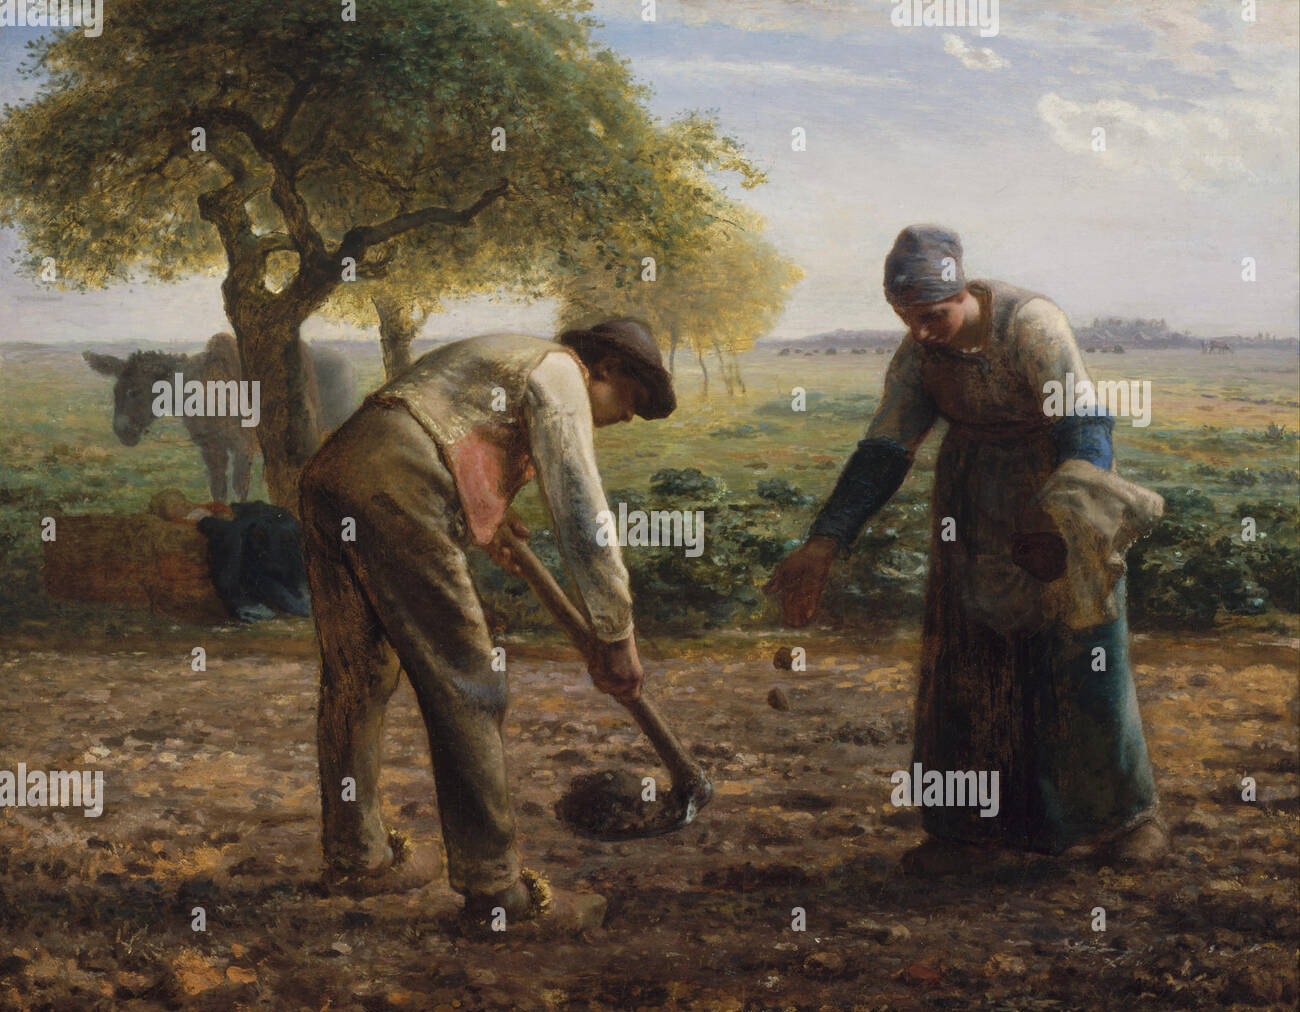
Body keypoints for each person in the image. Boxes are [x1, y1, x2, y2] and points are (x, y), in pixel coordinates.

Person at [766, 225, 1168, 874]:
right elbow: (886, 448)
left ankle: (1124, 820)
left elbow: (1083, 423)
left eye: (932, 315)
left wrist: (1064, 528)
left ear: (962, 293)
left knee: (1079, 653)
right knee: (967, 663)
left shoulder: (1031, 324)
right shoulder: (921, 351)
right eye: (906, 318)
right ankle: (965, 831)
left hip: (1059, 484)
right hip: (973, 500)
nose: (921, 331)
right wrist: (825, 540)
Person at [299, 318, 675, 933]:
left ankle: (356, 854)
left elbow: (440, 431)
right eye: (631, 399)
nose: (628, 417)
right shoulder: (560, 372)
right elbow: (583, 518)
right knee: (470, 684)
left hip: (337, 470)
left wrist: (485, 520)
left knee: (358, 674)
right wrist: (616, 637)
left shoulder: (510, 359)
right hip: (398, 480)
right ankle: (495, 892)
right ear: (603, 368)